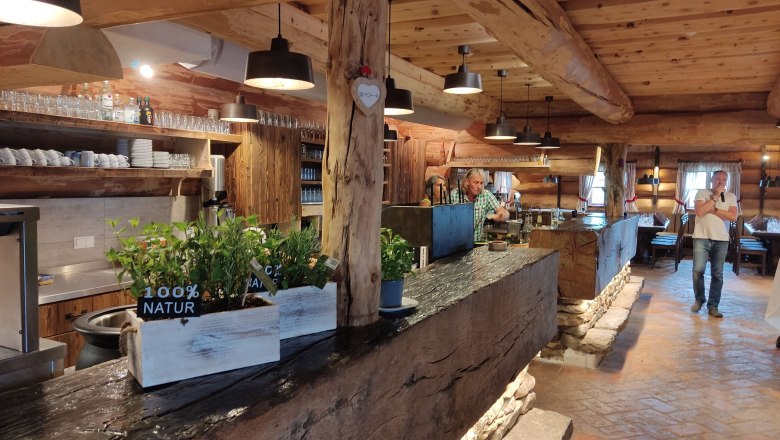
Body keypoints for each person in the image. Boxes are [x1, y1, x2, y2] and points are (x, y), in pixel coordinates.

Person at [691, 170, 738, 318]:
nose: (721, 182)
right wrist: (715, 197)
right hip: (701, 237)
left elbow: (733, 217)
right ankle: (699, 299)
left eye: (724, 179)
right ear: (712, 180)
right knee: (698, 270)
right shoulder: (702, 193)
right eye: (718, 178)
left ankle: (713, 306)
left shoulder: (731, 196)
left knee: (717, 274)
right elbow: (699, 211)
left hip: (721, 239)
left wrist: (713, 210)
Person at [450, 168, 510, 241]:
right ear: (467, 182)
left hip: (475, 244)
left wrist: (501, 215)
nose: (479, 187)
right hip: (455, 242)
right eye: (476, 182)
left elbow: (504, 212)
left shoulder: (485, 195)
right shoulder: (454, 195)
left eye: (481, 183)